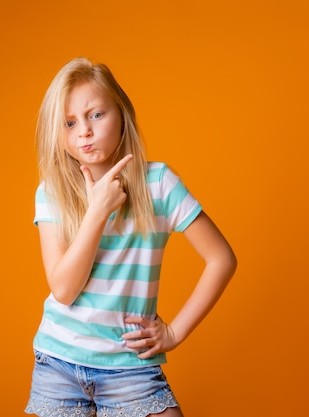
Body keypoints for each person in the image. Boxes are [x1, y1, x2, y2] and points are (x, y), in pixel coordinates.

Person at [25, 57, 237, 417]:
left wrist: (174, 333)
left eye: (96, 115)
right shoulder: (53, 192)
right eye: (70, 123)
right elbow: (63, 289)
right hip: (58, 363)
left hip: (130, 368)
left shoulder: (159, 184)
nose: (84, 132)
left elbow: (222, 259)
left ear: (122, 114)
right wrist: (96, 212)